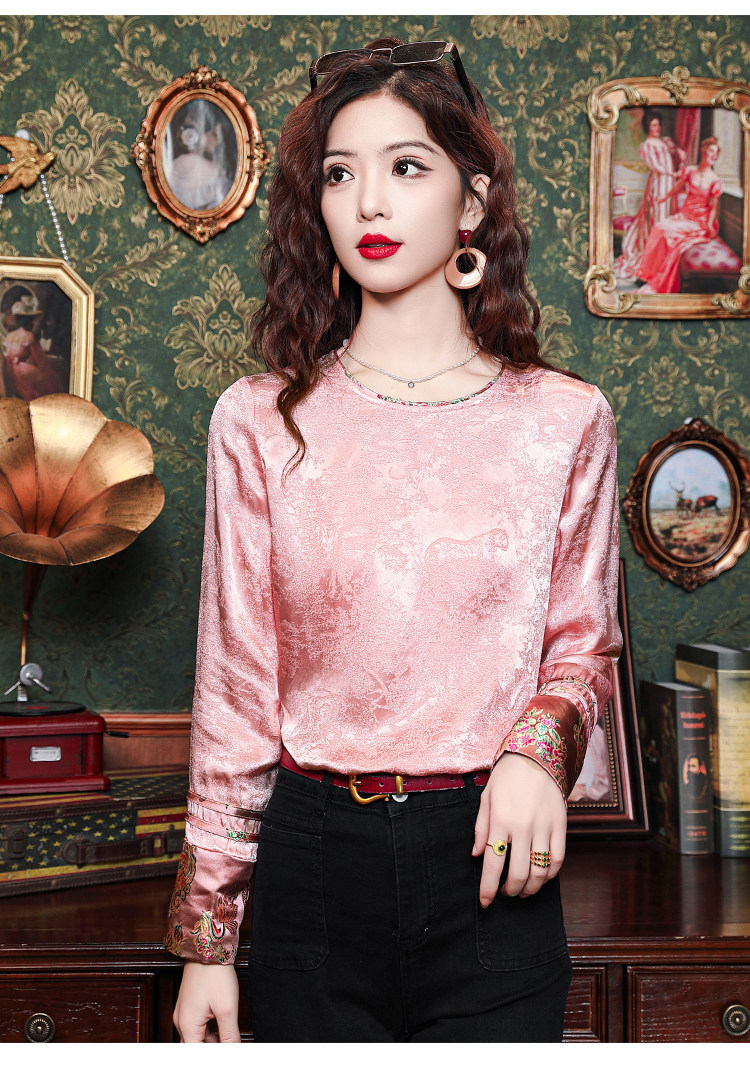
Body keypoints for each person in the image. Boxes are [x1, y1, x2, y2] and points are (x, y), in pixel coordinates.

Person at [165, 38, 621, 1043]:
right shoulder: (259, 422)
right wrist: (208, 938)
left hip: (493, 873)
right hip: (310, 871)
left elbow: (584, 646)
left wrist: (537, 752)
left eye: (406, 166)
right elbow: (236, 694)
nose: (369, 201)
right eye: (340, 174)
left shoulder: (564, 420)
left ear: (472, 202)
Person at [637, 136, 723, 294]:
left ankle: (660, 278)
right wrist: (664, 197)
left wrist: (710, 224)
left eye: (716, 153)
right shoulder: (690, 171)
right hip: (684, 216)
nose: (714, 155)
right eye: (711, 151)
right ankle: (650, 273)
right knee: (658, 228)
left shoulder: (715, 180)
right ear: (703, 150)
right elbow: (677, 186)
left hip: (700, 222)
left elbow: (714, 207)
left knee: (668, 233)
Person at [614, 110, 685, 280]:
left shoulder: (663, 141)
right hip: (659, 184)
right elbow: (655, 166)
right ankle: (654, 257)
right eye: (653, 125)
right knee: (658, 217)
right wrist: (672, 174)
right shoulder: (647, 145)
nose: (657, 128)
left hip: (669, 183)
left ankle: (663, 254)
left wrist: (679, 151)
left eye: (658, 125)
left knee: (667, 216)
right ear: (648, 126)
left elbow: (673, 149)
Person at [2, 294, 67, 400]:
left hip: (10, 371)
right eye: (33, 319)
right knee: (51, 377)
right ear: (29, 321)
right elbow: (41, 360)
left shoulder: (10, 336)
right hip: (21, 374)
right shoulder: (29, 336)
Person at [166, 115, 232, 211]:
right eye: (214, 135)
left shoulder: (172, 164)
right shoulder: (211, 169)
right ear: (198, 134)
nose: (217, 142)